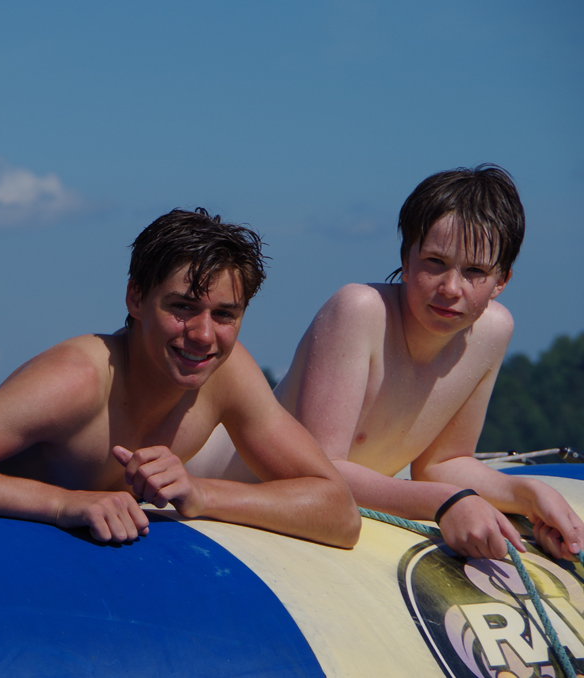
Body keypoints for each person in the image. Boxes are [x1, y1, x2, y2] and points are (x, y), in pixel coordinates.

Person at [0, 208, 361, 547]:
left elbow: (338, 513)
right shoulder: (79, 378)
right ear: (135, 298)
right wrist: (66, 504)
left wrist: (202, 493)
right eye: (182, 307)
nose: (203, 335)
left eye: (225, 315)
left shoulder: (229, 376)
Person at [190, 165, 583, 560]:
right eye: (434, 261)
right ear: (406, 260)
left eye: (475, 271)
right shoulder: (359, 311)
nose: (450, 288)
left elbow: (444, 464)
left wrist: (528, 494)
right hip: (202, 475)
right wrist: (445, 503)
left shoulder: (493, 331)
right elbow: (319, 473)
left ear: (502, 281)